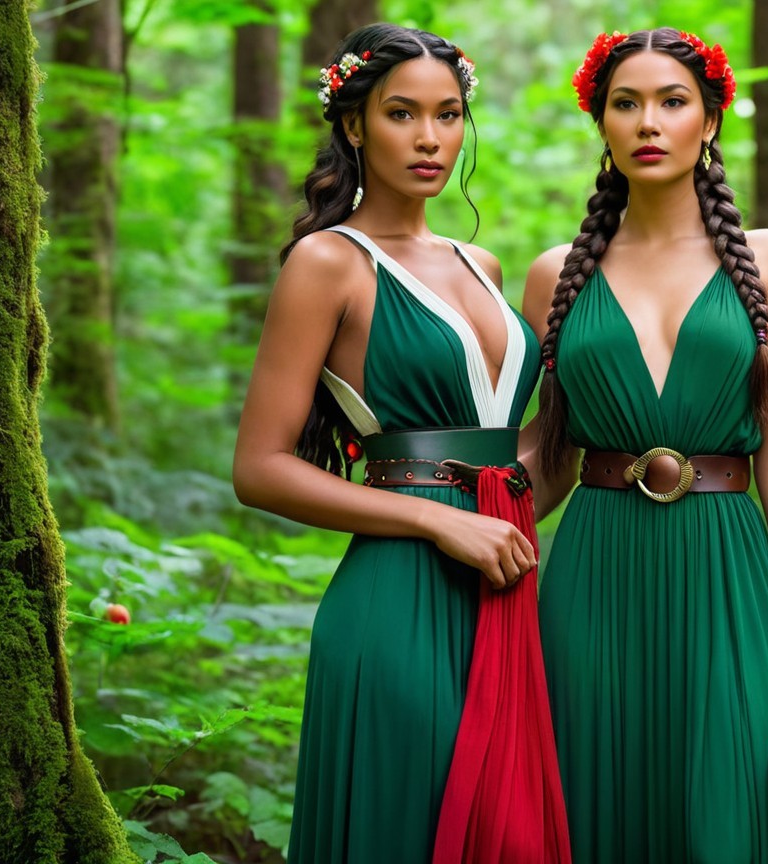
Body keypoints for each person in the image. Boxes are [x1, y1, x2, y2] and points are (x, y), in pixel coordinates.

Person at [523, 28, 768, 862]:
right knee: (591, 802)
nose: (649, 121)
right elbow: (548, 462)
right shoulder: (553, 274)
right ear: (601, 123)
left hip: (729, 572)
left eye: (672, 102)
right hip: (591, 580)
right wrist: (432, 515)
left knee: (723, 809)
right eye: (626, 103)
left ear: (709, 120)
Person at [232, 23, 569, 863]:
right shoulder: (328, 263)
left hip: (506, 587)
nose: (429, 139)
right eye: (401, 114)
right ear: (354, 125)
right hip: (398, 602)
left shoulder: (484, 265)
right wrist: (436, 521)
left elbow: (516, 455)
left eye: (448, 115)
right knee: (407, 827)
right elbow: (260, 469)